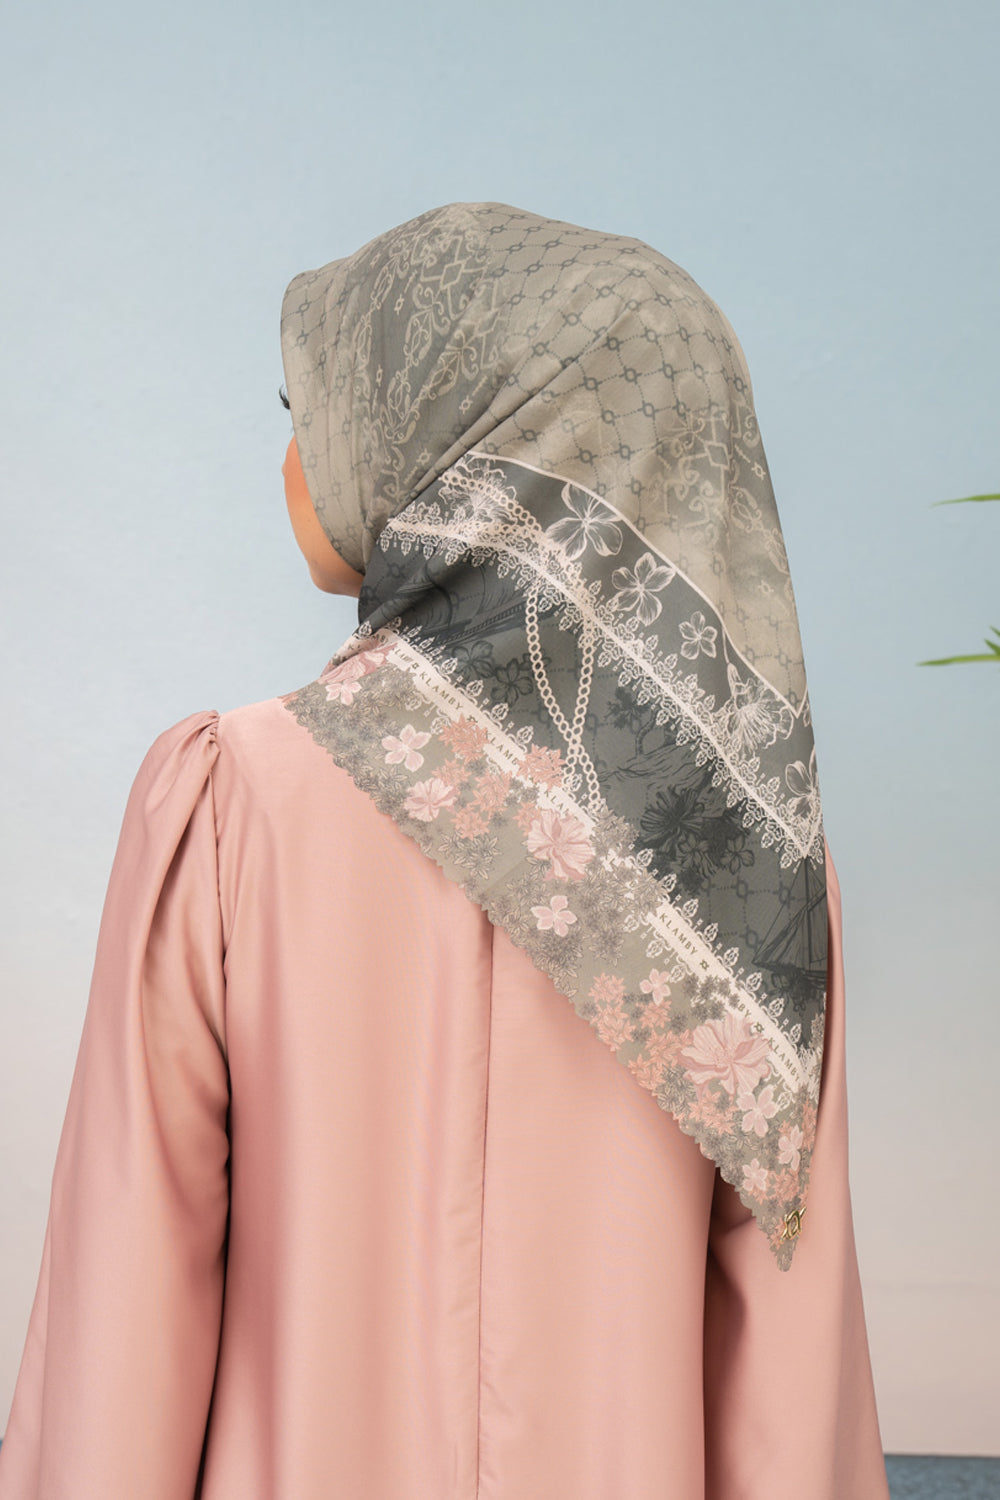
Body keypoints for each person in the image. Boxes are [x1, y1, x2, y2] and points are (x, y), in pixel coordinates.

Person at [0, 201, 891, 1498]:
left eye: (315, 408)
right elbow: (790, 1398)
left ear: (455, 429)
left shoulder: (231, 803)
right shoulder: (752, 877)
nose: (294, 454)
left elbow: (122, 1329)